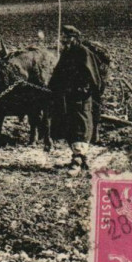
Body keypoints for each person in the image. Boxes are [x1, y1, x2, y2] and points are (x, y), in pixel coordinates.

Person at [49, 25, 104, 176]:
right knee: (70, 126)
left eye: (66, 37)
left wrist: (84, 90)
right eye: (62, 37)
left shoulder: (84, 53)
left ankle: (77, 160)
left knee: (81, 126)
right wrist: (52, 88)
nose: (63, 40)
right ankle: (81, 159)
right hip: (67, 97)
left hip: (80, 97)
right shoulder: (66, 53)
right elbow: (58, 73)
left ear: (74, 38)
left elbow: (94, 78)